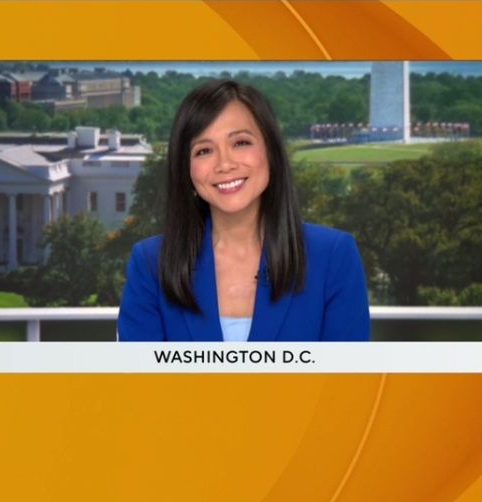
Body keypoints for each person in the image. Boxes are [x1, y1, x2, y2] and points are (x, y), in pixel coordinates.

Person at [118, 80, 370, 341]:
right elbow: (140, 381)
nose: (224, 164)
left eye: (240, 143)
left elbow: (348, 381)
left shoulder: (334, 257)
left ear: (270, 151)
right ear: (187, 169)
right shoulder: (150, 263)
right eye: (204, 150)